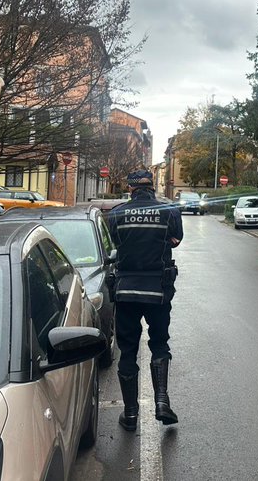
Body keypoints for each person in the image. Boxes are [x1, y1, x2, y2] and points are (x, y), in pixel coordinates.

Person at [107, 169, 183, 431]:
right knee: (159, 344)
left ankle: (130, 415)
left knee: (127, 351)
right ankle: (162, 402)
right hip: (158, 292)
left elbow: (115, 243)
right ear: (152, 187)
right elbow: (176, 240)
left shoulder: (116, 213)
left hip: (126, 291)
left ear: (130, 188)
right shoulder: (169, 211)